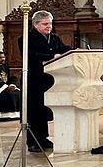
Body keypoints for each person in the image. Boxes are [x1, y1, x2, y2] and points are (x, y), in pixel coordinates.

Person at [21, 10, 72, 152]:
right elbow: (31, 55)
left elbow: (63, 49)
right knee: (33, 111)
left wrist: (73, 51)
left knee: (44, 110)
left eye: (50, 23)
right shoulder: (26, 38)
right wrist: (52, 55)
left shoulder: (54, 38)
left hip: (49, 79)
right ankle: (32, 141)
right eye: (45, 24)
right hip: (33, 79)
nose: (49, 26)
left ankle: (43, 138)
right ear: (35, 24)